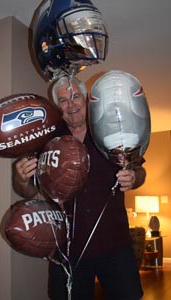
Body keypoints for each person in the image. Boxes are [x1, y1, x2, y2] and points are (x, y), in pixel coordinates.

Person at [13, 76, 146, 300]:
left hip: (114, 243)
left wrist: (134, 177)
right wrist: (21, 178)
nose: (71, 104)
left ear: (86, 99)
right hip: (67, 250)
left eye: (75, 96)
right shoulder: (47, 140)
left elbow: (140, 171)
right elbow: (26, 191)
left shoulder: (111, 128)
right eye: (63, 100)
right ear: (58, 107)